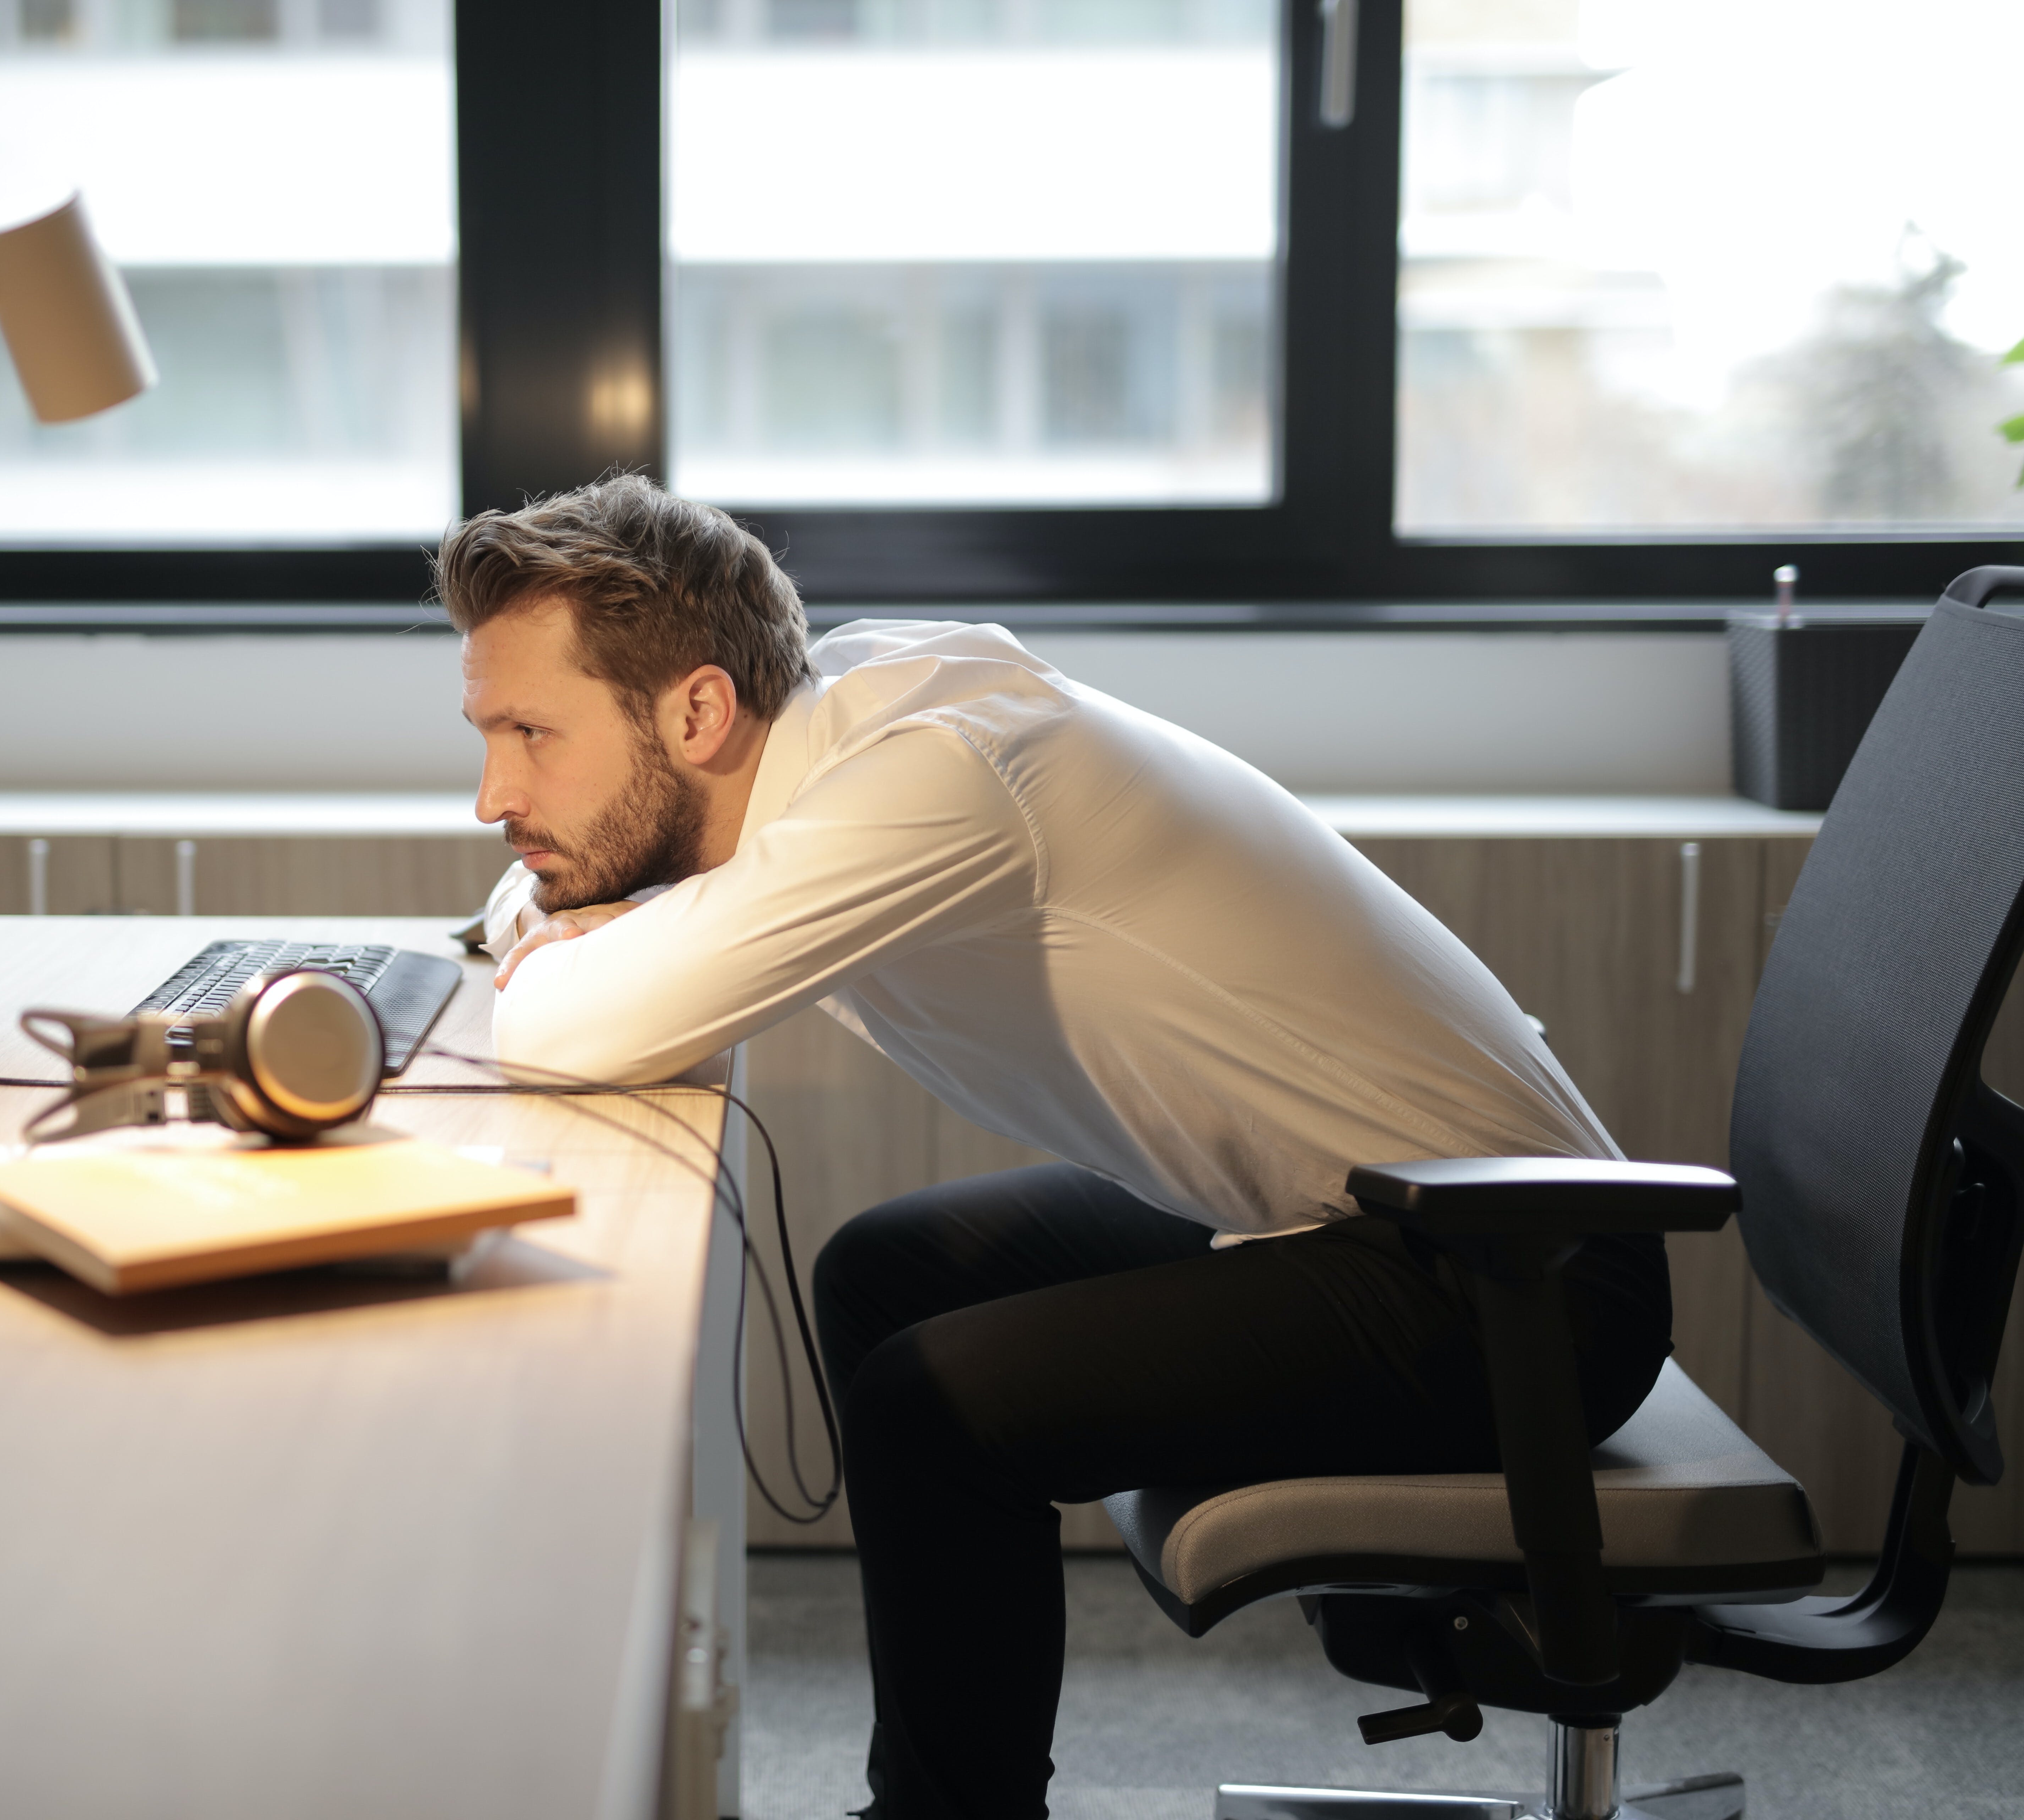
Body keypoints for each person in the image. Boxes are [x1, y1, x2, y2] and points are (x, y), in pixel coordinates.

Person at [446, 474, 1670, 1820]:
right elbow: (545, 916)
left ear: (698, 710)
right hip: (1362, 1214)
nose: (496, 793)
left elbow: (570, 1026)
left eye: (532, 734)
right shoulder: (844, 711)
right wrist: (561, 922)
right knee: (885, 1270)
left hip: (1518, 1274)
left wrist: (563, 944)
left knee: (934, 1404)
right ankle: (945, 1793)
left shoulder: (930, 780)